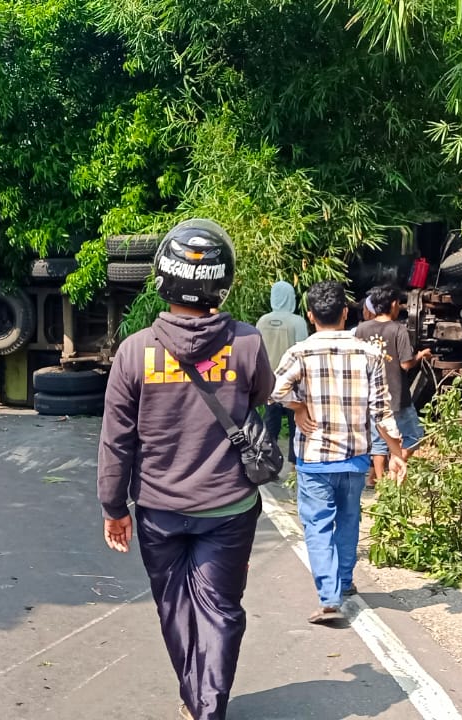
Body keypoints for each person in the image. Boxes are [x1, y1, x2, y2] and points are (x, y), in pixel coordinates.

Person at [98, 218, 273, 720]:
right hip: (230, 507)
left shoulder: (134, 352)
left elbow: (116, 439)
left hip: (159, 510)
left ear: (163, 278)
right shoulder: (246, 343)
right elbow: (260, 395)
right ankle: (207, 704)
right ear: (223, 280)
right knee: (220, 612)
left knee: (175, 609)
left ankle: (199, 702)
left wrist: (114, 507)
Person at [271, 280, 403, 625]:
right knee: (349, 520)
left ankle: (329, 597)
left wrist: (297, 406)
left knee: (317, 525)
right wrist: (396, 452)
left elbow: (273, 392)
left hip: (315, 457)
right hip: (356, 457)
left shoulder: (299, 353)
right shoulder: (369, 354)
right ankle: (344, 583)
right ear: (346, 313)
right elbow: (382, 409)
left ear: (311, 316)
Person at [355, 285, 431, 485]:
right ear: (394, 304)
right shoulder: (398, 329)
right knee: (415, 435)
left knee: (379, 439)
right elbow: (406, 364)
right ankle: (394, 470)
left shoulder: (362, 328)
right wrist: (420, 356)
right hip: (396, 393)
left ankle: (380, 483)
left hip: (370, 393)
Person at [255, 280, 308, 463]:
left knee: (270, 422)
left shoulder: (262, 321)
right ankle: (295, 463)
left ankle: (268, 460)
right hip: (293, 381)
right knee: (296, 423)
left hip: (269, 380)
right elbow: (304, 351)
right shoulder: (298, 322)